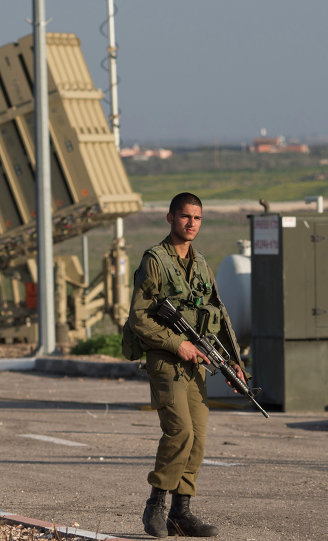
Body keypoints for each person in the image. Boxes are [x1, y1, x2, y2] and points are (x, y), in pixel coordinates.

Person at [127, 192, 245, 538]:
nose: (191, 223)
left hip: (196, 363)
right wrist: (177, 343)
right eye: (184, 217)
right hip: (165, 360)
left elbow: (219, 317)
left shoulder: (202, 264)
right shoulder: (155, 260)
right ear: (170, 218)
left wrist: (235, 364)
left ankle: (181, 513)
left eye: (197, 218)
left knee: (198, 438)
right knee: (180, 432)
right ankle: (155, 505)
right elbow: (139, 317)